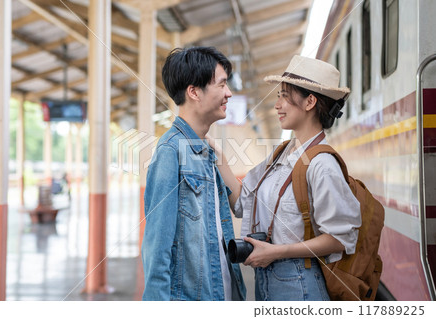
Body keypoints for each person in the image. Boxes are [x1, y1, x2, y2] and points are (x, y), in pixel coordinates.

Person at [210, 55, 361, 301]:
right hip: (268, 282)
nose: (277, 105)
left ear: (310, 101)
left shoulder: (322, 164)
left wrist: (277, 252)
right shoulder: (280, 154)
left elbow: (339, 239)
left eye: (284, 95)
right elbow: (241, 203)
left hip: (300, 284)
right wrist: (217, 153)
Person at [141, 47, 246, 301]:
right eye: (221, 85)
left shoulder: (207, 151)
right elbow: (157, 249)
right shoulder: (170, 151)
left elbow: (239, 206)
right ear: (194, 92)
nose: (228, 93)